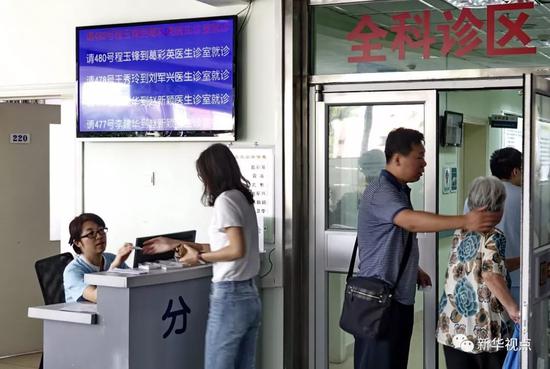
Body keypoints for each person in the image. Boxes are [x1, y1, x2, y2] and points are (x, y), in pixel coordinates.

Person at [355, 128, 501, 369]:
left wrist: (414, 269)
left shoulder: (399, 189)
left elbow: (392, 239)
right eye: (419, 156)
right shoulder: (381, 191)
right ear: (398, 158)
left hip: (396, 297)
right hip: (379, 302)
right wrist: (465, 220)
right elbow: (410, 221)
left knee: (394, 361)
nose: (424, 163)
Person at [142, 143, 261, 369]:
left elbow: (236, 250)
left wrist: (198, 258)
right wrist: (176, 243)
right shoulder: (242, 198)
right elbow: (222, 245)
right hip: (249, 295)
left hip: (230, 296)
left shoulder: (225, 200)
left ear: (210, 173)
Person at [437, 176, 519, 369]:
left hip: (452, 326)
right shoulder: (494, 236)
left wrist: (524, 261)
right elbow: (491, 275)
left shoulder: (461, 231)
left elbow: (482, 267)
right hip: (484, 329)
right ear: (498, 207)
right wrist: (514, 310)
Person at [464, 147, 522, 302]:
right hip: (517, 279)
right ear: (516, 171)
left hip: (476, 282)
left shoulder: (473, 197)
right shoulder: (525, 197)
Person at [63, 213, 133, 303]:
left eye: (101, 230)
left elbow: (133, 285)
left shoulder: (111, 258)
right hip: (84, 316)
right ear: (77, 242)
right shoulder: (72, 271)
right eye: (91, 234)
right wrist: (114, 267)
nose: (99, 236)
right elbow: (98, 297)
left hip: (113, 311)